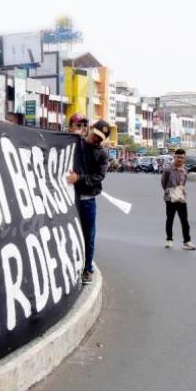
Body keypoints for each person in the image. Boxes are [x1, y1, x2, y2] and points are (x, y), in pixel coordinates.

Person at [67, 120, 111, 284]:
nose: (96, 139)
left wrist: (79, 178)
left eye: (100, 138)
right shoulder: (76, 142)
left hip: (87, 201)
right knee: (67, 233)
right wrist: (74, 136)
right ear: (91, 129)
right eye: (95, 134)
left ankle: (87, 269)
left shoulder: (102, 155)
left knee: (88, 236)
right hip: (69, 199)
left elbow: (98, 177)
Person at [161, 148, 196, 250]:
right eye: (178, 157)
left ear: (184, 159)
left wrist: (180, 190)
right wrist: (170, 191)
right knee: (170, 219)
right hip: (170, 198)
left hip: (181, 197)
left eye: (182, 157)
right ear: (174, 157)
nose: (180, 159)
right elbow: (163, 183)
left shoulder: (185, 169)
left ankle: (187, 242)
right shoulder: (168, 169)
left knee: (184, 220)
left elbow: (184, 182)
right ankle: (169, 240)